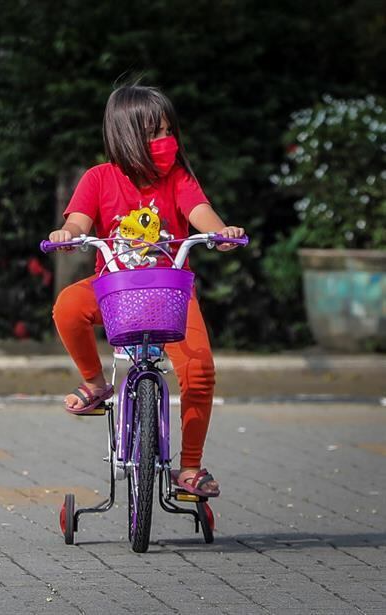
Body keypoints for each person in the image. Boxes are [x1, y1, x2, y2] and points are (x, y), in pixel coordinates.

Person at [47, 84, 245, 497]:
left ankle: (189, 468)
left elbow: (200, 212)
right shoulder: (98, 178)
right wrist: (67, 233)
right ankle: (96, 384)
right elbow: (79, 222)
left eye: (168, 131)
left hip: (171, 294)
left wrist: (219, 231)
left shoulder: (178, 178)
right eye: (154, 133)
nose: (165, 142)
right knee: (67, 306)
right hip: (115, 290)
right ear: (125, 136)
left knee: (200, 369)